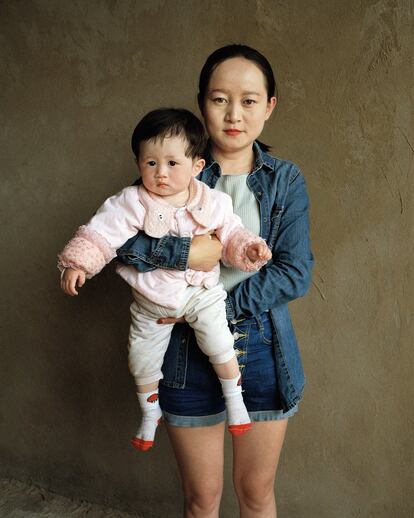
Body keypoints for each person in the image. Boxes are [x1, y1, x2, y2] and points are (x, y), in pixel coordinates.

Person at [117, 45, 313, 517]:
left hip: (262, 350)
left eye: (249, 101)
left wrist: (208, 310)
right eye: (219, 99)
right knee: (201, 499)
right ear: (202, 102)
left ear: (269, 106)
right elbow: (120, 245)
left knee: (256, 494)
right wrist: (189, 252)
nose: (233, 114)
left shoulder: (284, 180)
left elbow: (294, 271)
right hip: (183, 352)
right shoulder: (169, 167)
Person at [58, 108, 272, 452]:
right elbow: (102, 233)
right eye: (150, 163)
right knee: (140, 359)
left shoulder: (212, 201)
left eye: (172, 164)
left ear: (196, 166)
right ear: (139, 163)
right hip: (150, 302)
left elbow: (232, 233)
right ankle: (148, 412)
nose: (160, 173)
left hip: (202, 292)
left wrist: (248, 250)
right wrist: (78, 263)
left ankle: (236, 400)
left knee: (219, 341)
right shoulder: (131, 202)